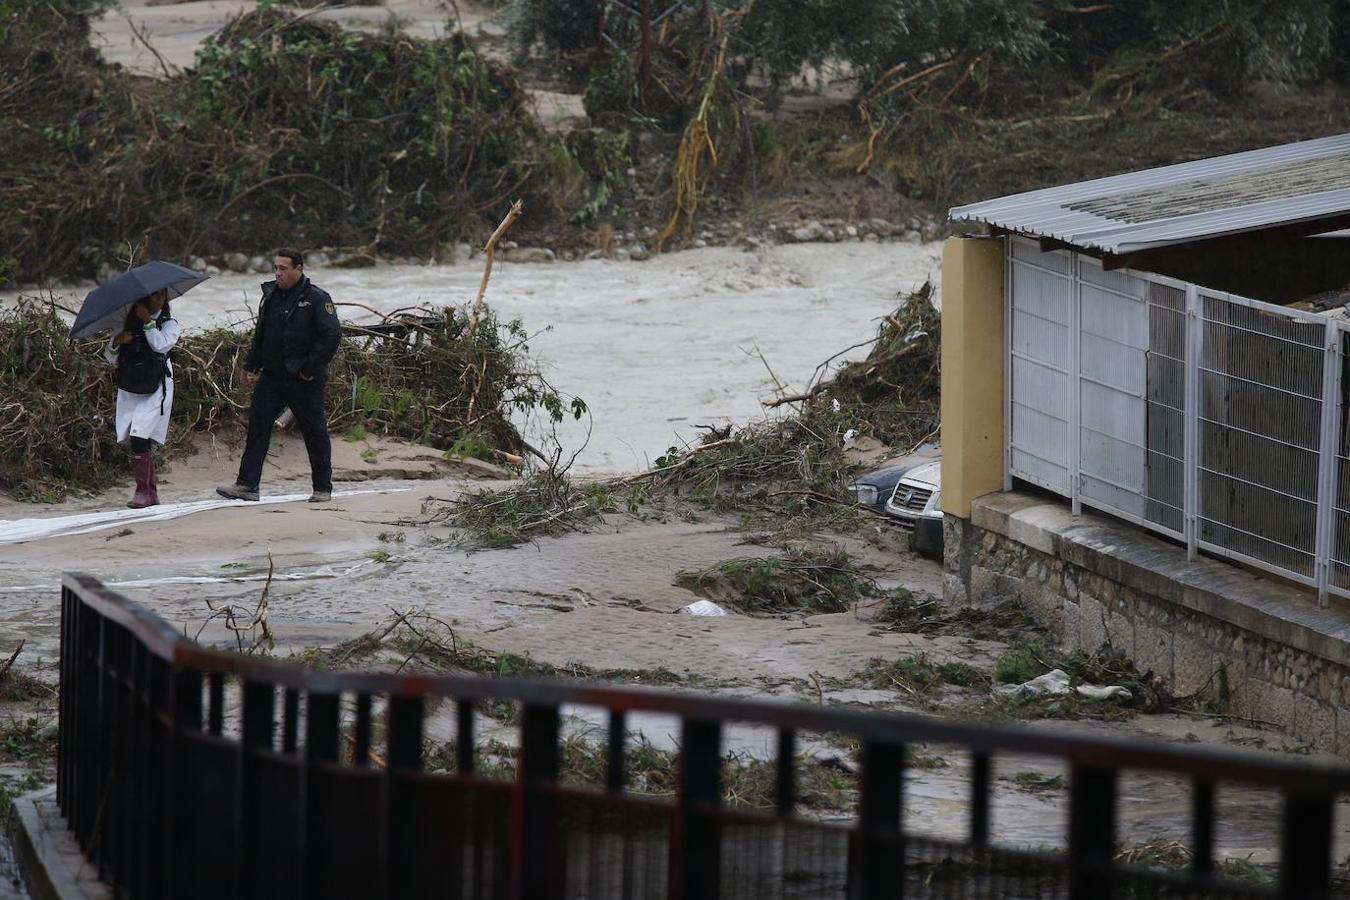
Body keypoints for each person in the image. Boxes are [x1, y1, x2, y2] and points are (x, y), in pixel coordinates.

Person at [218, 250, 341, 503]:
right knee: (257, 426)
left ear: (299, 268)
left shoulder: (316, 298)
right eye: (275, 268)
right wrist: (250, 365)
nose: (278, 273)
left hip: (303, 377)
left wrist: (310, 368)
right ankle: (247, 485)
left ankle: (322, 488)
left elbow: (331, 335)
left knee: (314, 431)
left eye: (283, 268)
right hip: (272, 376)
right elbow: (261, 333)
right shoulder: (271, 295)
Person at [104, 289, 180, 509]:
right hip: (130, 386)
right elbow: (110, 357)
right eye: (155, 295)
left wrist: (148, 322)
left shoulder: (169, 324)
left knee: (140, 433)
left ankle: (142, 491)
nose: (159, 300)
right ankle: (151, 491)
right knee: (133, 435)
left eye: (162, 296)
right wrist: (118, 340)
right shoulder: (127, 321)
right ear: (145, 297)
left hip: (155, 387)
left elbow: (161, 345)